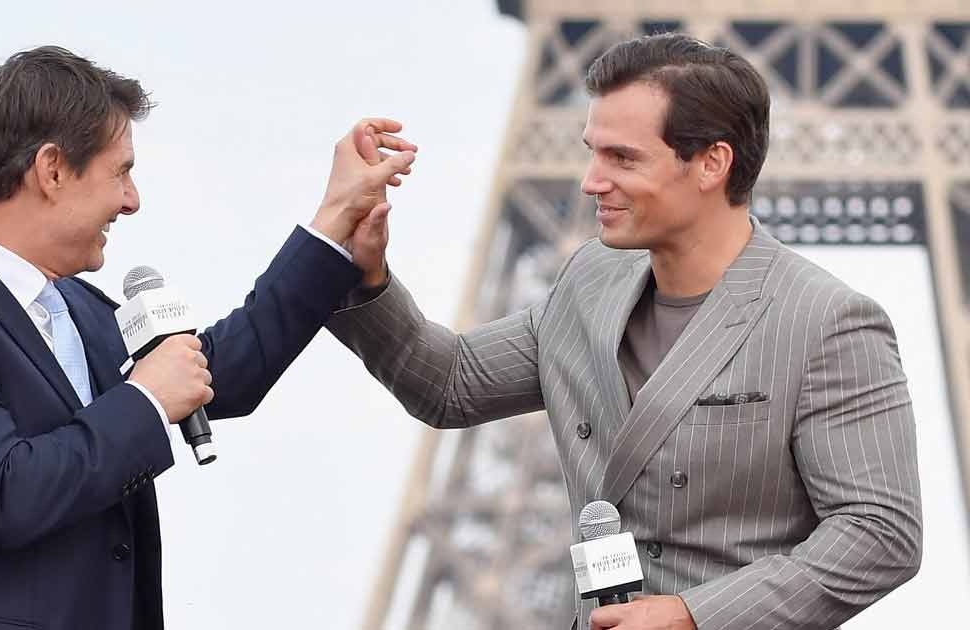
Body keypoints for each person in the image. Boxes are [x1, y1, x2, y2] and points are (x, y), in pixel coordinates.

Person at [330, 33, 921, 630]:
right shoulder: (591, 279)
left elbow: (881, 532)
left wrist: (693, 616)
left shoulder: (828, 322)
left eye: (622, 158)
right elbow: (450, 384)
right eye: (593, 152)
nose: (591, 180)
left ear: (712, 163)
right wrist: (359, 270)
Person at [0, 45, 415, 630]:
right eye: (121, 171)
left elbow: (217, 372)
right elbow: (1, 495)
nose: (132, 200)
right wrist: (145, 399)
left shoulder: (79, 307)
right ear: (52, 170)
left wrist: (334, 222)